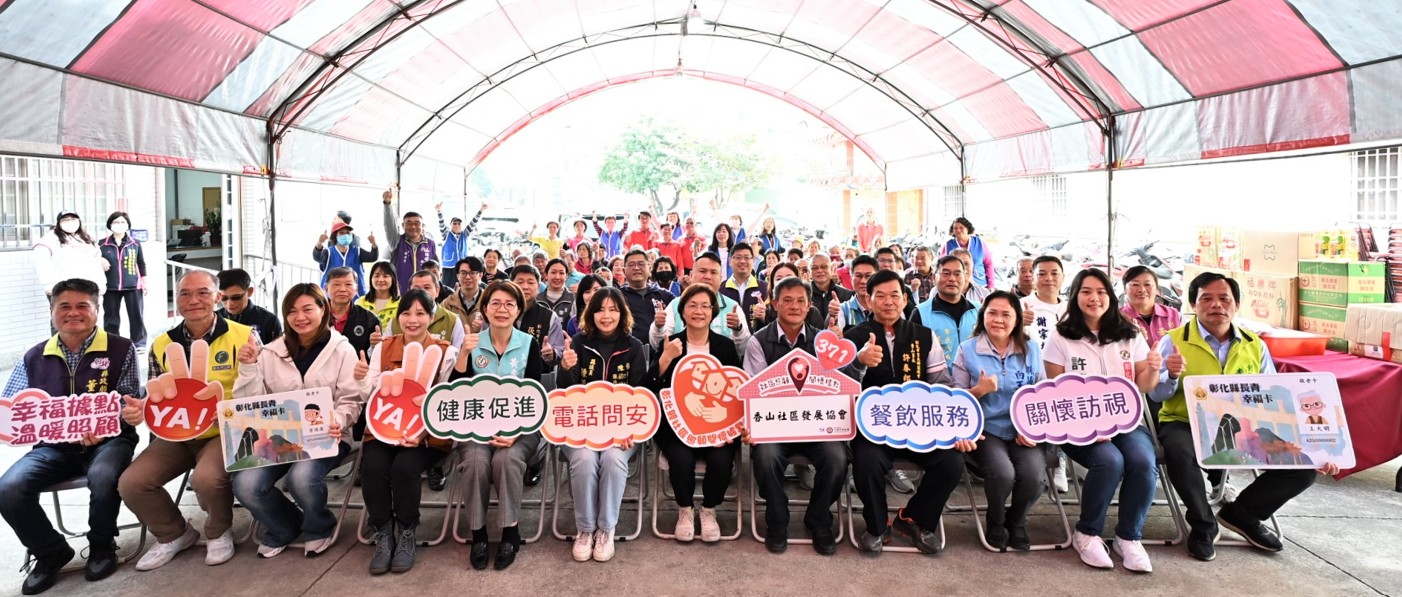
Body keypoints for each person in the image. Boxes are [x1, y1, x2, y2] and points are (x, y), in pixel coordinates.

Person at [1148, 272, 1335, 563]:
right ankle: (1203, 525)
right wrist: (1170, 375)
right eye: (1207, 299)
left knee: (1304, 467)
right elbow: (1156, 395)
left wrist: (1315, 447)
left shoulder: (1255, 345)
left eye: (1224, 298)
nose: (1216, 305)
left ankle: (1243, 514)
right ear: (1193, 305)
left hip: (1245, 424)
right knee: (1179, 452)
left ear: (1236, 305)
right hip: (1184, 422)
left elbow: (1273, 395)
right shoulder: (1172, 341)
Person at [0, 279, 139, 594]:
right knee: (8, 488)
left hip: (109, 441)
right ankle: (50, 551)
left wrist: (106, 422)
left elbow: (128, 398)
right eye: (64, 306)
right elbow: (12, 408)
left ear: (97, 310)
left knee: (104, 474)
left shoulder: (121, 348)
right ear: (52, 311)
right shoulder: (34, 356)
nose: (73, 313)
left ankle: (102, 545)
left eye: (82, 306)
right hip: (52, 447)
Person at [118, 270, 254, 571]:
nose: (194, 300)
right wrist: (142, 409)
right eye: (185, 293)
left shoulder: (244, 336)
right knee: (132, 482)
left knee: (205, 478)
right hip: (177, 433)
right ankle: (174, 534)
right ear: (176, 300)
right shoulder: (161, 344)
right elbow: (155, 396)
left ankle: (218, 531)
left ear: (217, 297)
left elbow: (261, 389)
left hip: (225, 430)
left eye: (203, 292)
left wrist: (232, 410)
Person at [1042, 268, 1162, 573]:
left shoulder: (1129, 334)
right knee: (1109, 461)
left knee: (1142, 460)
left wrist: (1153, 368)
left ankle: (1128, 537)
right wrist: (1087, 426)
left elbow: (1144, 386)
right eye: (1086, 292)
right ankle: (1087, 532)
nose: (1094, 298)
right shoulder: (1060, 336)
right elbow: (1055, 392)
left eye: (1101, 292)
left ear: (1110, 296)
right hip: (1076, 425)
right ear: (1075, 297)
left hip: (1125, 423)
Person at [842, 271, 968, 554]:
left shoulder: (924, 335)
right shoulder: (853, 337)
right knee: (867, 462)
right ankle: (877, 526)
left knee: (951, 462)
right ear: (869, 301)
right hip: (873, 430)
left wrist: (955, 427)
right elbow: (839, 388)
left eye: (894, 295)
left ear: (905, 299)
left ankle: (914, 519)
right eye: (880, 296)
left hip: (918, 426)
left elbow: (942, 384)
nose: (888, 302)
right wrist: (859, 362)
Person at [231, 283, 361, 558]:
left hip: (327, 436)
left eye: (307, 309)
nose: (300, 317)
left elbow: (351, 399)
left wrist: (339, 419)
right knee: (246, 484)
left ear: (323, 309)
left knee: (301, 478)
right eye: (292, 311)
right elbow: (252, 405)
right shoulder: (269, 352)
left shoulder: (341, 350)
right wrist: (249, 367)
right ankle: (284, 526)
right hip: (279, 440)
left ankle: (318, 526)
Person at [356, 289, 459, 574]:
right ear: (397, 317)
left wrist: (422, 434)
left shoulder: (445, 352)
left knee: (404, 468)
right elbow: (369, 395)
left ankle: (406, 530)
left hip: (427, 435)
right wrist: (361, 379)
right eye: (406, 313)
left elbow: (445, 401)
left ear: (432, 317)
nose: (412, 320)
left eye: (420, 313)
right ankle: (382, 531)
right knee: (372, 467)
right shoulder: (383, 348)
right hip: (384, 428)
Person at [742, 277, 847, 555]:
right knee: (765, 457)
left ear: (810, 305)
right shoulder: (758, 341)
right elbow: (754, 392)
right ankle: (777, 519)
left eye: (801, 301)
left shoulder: (824, 341)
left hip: (816, 426)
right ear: (775, 304)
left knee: (837, 458)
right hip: (775, 428)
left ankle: (818, 518)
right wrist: (751, 425)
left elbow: (838, 386)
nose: (795, 306)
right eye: (787, 300)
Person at [447, 281, 546, 570]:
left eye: (509, 304)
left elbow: (534, 395)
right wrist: (463, 354)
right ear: (485, 308)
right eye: (496, 303)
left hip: (521, 427)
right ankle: (478, 533)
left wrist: (515, 431)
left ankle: (510, 531)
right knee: (476, 461)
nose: (502, 309)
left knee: (507, 460)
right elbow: (456, 392)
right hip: (476, 426)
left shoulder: (528, 344)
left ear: (518, 310)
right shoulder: (472, 342)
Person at [557, 287, 650, 562]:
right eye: (599, 309)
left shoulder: (633, 347)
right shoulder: (578, 342)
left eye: (612, 309)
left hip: (623, 431)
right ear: (590, 313)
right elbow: (565, 394)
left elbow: (641, 395)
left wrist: (631, 430)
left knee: (612, 458)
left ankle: (607, 528)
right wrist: (565, 368)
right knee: (585, 459)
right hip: (580, 429)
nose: (606, 316)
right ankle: (586, 529)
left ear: (622, 313)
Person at [953, 291, 1046, 551]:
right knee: (1003, 474)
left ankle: (1016, 522)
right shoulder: (967, 350)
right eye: (992, 313)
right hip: (986, 429)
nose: (998, 319)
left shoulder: (1032, 349)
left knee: (1033, 476)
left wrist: (1034, 429)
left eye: (1006, 314)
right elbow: (955, 400)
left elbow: (1043, 394)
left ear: (1017, 320)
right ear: (983, 316)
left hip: (1023, 429)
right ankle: (995, 521)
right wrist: (979, 390)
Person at [649, 284, 742, 543]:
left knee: (722, 460)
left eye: (705, 306)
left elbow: (736, 390)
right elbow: (649, 387)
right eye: (692, 305)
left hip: (717, 424)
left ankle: (709, 510)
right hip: (677, 425)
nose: (698, 311)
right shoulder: (671, 343)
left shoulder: (725, 346)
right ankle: (685, 510)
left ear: (713, 312)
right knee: (680, 458)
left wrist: (726, 422)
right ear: (682, 311)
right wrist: (665, 359)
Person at [650, 252, 750, 353]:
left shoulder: (733, 307)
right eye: (703, 271)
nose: (708, 276)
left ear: (721, 278)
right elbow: (659, 346)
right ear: (691, 275)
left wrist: (738, 330)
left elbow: (742, 350)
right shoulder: (675, 305)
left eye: (713, 272)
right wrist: (659, 328)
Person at [1122, 265, 1183, 423]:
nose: (1142, 289)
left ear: (1157, 289)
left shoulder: (1173, 315)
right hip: (1140, 382)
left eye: (1148, 284)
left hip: (1172, 377)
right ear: (1125, 289)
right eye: (1135, 284)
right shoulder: (1118, 318)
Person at [912, 256, 979, 371]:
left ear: (965, 277)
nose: (952, 279)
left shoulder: (979, 310)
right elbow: (915, 355)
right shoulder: (920, 313)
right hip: (938, 380)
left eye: (957, 274)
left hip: (975, 379)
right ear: (934, 278)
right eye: (946, 273)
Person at [98, 211, 148, 348]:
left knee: (136, 316)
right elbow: (93, 259)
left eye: (122, 222)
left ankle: (139, 343)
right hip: (111, 285)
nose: (119, 224)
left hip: (133, 284)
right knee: (111, 317)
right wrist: (99, 259)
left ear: (128, 225)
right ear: (110, 224)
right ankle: (112, 344)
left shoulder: (135, 243)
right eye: (116, 222)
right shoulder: (102, 244)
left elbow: (141, 263)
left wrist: (145, 281)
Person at [33, 211, 105, 299]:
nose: (70, 221)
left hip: (88, 288)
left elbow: (96, 263)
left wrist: (101, 283)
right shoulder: (50, 239)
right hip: (63, 289)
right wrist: (49, 284)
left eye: (73, 219)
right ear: (58, 223)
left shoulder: (87, 239)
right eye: (65, 219)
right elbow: (42, 262)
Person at [510, 265, 565, 370]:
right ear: (511, 285)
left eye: (530, 282)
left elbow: (559, 350)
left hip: (539, 376)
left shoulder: (550, 317)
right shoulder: (501, 313)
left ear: (538, 287)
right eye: (520, 282)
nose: (525, 287)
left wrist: (552, 353)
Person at [382, 189, 438, 290]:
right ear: (403, 225)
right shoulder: (397, 241)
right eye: (409, 223)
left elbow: (436, 270)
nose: (413, 226)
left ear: (422, 226)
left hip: (424, 294)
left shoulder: (430, 244)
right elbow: (389, 226)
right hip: (401, 293)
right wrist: (387, 204)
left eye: (417, 223)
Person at [394, 271, 465, 347]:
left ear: (437, 291)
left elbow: (459, 351)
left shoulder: (452, 320)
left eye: (427, 288)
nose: (422, 292)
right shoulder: (395, 321)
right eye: (416, 288)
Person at [617, 249, 675, 343]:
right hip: (627, 349)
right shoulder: (617, 296)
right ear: (624, 271)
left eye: (641, 264)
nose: (636, 268)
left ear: (650, 268)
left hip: (661, 348)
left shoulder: (665, 295)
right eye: (631, 264)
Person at [325, 267, 379, 364]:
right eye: (336, 284)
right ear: (326, 288)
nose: (342, 289)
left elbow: (374, 357)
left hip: (355, 371)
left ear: (356, 289)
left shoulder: (369, 319)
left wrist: (376, 345)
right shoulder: (316, 316)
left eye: (348, 284)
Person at [314, 215, 378, 297]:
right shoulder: (329, 252)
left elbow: (373, 257)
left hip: (356, 296)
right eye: (341, 233)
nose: (345, 235)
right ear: (335, 236)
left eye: (348, 233)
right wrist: (320, 242)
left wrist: (373, 243)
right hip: (332, 297)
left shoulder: (357, 251)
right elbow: (317, 257)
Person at [216, 268, 283, 345]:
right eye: (224, 298)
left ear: (250, 292)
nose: (230, 303)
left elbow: (277, 351)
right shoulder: (214, 319)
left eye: (236, 297)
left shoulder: (269, 320)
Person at [721, 243, 767, 333]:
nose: (742, 261)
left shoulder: (765, 288)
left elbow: (774, 321)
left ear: (753, 261)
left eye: (747, 257)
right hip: (727, 339)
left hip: (758, 339)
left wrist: (765, 317)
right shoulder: (721, 289)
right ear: (730, 261)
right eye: (738, 257)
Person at [1022, 255, 1066, 349]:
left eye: (1054, 273)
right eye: (1042, 274)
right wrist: (1017, 324)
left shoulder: (1072, 309)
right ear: (1033, 278)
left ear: (1063, 278)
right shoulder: (1018, 306)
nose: (1049, 278)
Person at [437, 202, 485, 286]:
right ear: (450, 225)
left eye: (459, 224)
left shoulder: (465, 234)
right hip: (449, 266)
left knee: (462, 286)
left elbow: (473, 223)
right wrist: (439, 211)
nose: (457, 225)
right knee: (447, 287)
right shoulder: (446, 234)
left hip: (462, 266)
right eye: (454, 223)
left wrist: (481, 210)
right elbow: (441, 224)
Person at [941, 217, 995, 290]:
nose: (958, 230)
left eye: (961, 227)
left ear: (968, 229)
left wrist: (991, 285)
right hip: (957, 287)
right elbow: (942, 266)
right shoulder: (948, 245)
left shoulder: (979, 243)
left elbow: (989, 264)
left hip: (980, 285)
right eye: (955, 228)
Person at [441, 256, 486, 334]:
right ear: (457, 276)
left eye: (472, 273)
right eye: (463, 273)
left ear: (480, 275)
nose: (467, 277)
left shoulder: (489, 301)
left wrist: (485, 326)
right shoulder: (448, 303)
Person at [836, 255, 879, 331]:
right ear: (851, 278)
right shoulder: (842, 310)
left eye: (868, 276)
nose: (863, 281)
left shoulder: (886, 307)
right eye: (858, 276)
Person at [809, 253, 852, 328]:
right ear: (810, 272)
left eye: (824, 267)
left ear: (832, 269)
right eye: (815, 268)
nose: (819, 270)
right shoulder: (804, 295)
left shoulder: (846, 294)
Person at [356, 261, 401, 332]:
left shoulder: (401, 304)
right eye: (376, 276)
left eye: (385, 276)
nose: (380, 280)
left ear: (393, 279)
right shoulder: (360, 303)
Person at [540, 258, 576, 324]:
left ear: (566, 276)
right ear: (546, 275)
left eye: (561, 273)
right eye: (553, 272)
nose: (557, 277)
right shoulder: (537, 300)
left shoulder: (574, 299)